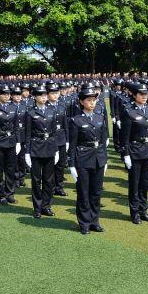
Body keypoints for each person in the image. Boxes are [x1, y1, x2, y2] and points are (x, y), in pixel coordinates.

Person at [68, 85, 108, 234]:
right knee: (84, 192)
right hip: (83, 159)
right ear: (81, 101)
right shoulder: (76, 120)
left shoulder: (99, 117)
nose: (92, 102)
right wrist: (71, 164)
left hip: (98, 158)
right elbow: (72, 144)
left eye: (94, 100)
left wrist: (105, 160)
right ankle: (84, 222)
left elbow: (103, 142)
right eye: (89, 100)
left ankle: (94, 220)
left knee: (96, 192)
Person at [120, 83, 148, 224]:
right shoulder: (129, 112)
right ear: (134, 95)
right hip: (134, 151)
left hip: (147, 150)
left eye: (146, 94)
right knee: (134, 184)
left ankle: (143, 210)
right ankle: (134, 212)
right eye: (141, 94)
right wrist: (126, 155)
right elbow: (125, 136)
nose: (144, 97)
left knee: (145, 183)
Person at [25, 84, 59, 219]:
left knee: (49, 180)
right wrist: (27, 152)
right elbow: (27, 134)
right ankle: (37, 207)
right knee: (36, 179)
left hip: (49, 147)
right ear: (35, 97)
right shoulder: (30, 112)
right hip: (36, 148)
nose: (44, 98)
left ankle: (46, 206)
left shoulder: (52, 111)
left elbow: (54, 133)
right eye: (41, 95)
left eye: (45, 95)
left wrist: (56, 150)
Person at [0, 85, 22, 205]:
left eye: (8, 94)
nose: (7, 96)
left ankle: (10, 193)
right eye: (4, 94)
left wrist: (18, 142)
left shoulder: (13, 107)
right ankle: (0, 194)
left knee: (11, 169)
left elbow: (16, 127)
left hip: (11, 142)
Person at [46, 81, 70, 197]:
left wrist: (67, 140)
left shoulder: (62, 106)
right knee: (50, 165)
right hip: (50, 140)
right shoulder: (44, 107)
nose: (55, 95)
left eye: (57, 93)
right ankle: (50, 187)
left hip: (61, 139)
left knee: (60, 165)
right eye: (52, 93)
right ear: (47, 94)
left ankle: (59, 187)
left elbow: (65, 124)